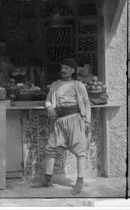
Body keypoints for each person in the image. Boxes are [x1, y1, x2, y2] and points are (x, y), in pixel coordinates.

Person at [31, 58, 91, 195]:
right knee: (49, 148)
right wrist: (49, 107)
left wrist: (88, 121)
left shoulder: (78, 84)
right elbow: (47, 99)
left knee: (80, 151)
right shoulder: (55, 84)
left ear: (73, 71)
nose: (63, 70)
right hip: (59, 121)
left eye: (66, 68)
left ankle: (79, 182)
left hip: (76, 119)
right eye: (62, 67)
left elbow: (87, 104)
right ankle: (48, 179)